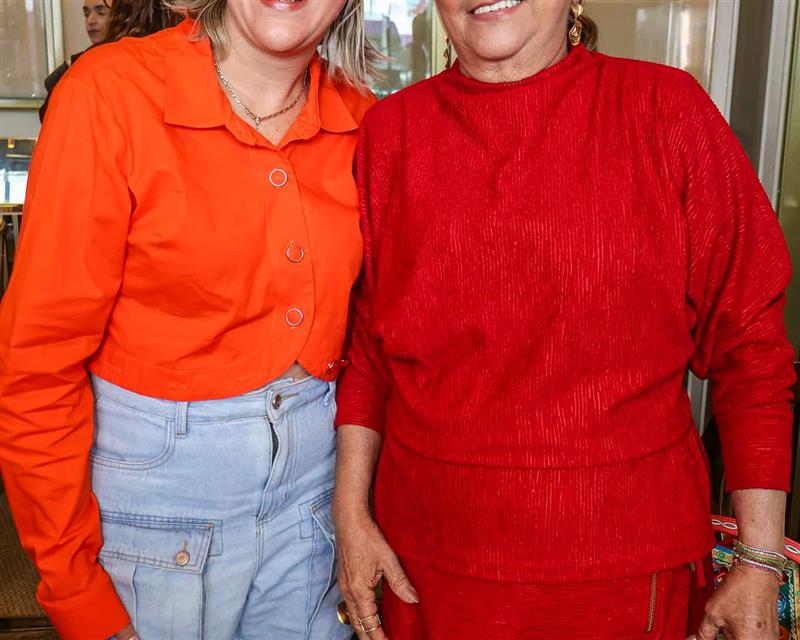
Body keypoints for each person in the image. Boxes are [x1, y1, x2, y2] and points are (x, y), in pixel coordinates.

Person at [332, 1, 796, 639]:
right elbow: (367, 354)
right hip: (425, 571)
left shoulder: (666, 111)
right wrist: (350, 515)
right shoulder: (390, 133)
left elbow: (752, 348)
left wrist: (760, 559)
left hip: (626, 579)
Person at [0, 1, 377, 639]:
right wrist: (74, 586)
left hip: (313, 506)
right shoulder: (110, 92)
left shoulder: (364, 116)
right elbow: (38, 362)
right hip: (154, 509)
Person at [39, 0, 112, 122]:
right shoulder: (76, 64)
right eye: (86, 14)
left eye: (101, 12)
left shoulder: (130, 63)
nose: (90, 21)